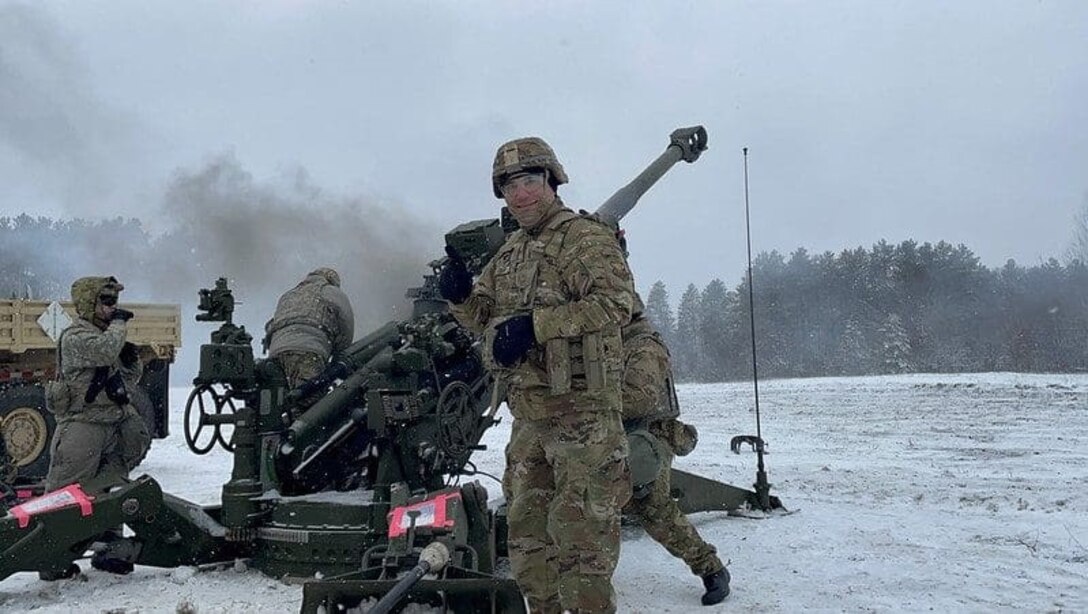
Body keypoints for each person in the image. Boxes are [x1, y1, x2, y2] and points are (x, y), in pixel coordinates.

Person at [440, 136, 636, 613]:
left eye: (529, 181)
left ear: (551, 181)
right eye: (510, 187)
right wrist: (461, 295)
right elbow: (482, 316)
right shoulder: (510, 253)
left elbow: (616, 304)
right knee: (528, 543)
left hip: (582, 419)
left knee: (581, 544)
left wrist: (536, 326)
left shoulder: (583, 237)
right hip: (530, 419)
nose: (521, 195)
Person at [621, 296, 730, 605]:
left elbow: (637, 398)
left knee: (656, 512)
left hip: (648, 437)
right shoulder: (604, 341)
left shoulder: (643, 345)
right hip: (612, 434)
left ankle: (712, 570)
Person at [41, 276, 152, 579]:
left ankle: (108, 550)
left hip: (112, 423)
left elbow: (124, 380)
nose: (112, 308)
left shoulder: (105, 336)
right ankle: (51, 558)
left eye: (114, 301)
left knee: (109, 490)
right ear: (89, 303)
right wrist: (118, 326)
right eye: (106, 301)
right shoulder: (76, 336)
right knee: (65, 495)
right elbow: (103, 352)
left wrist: (132, 361)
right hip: (82, 426)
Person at [264, 267, 355, 388]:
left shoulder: (288, 295)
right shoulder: (332, 291)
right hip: (308, 351)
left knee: (279, 402)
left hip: (276, 353)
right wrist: (339, 357)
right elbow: (346, 326)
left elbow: (271, 325)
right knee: (310, 402)